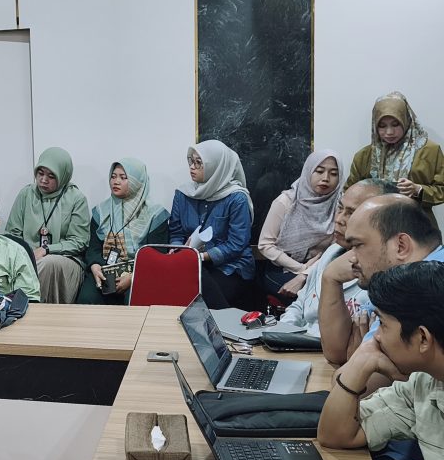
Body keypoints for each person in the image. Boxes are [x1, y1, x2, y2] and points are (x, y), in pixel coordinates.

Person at [317, 262, 444, 460]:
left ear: (423, 338)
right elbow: (336, 435)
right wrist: (360, 363)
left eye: (383, 325)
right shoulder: (423, 382)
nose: (376, 336)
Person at [319, 194, 443, 367]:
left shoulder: (419, 286)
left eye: (358, 245)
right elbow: (338, 353)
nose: (352, 258)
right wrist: (330, 277)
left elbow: (362, 377)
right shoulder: (393, 279)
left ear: (401, 246)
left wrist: (357, 362)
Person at [279, 179, 395, 336]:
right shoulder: (331, 252)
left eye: (351, 213)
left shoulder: (383, 270)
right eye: (340, 208)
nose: (339, 219)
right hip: (296, 341)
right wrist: (281, 335)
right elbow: (300, 305)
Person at [168, 140, 255, 309]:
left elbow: (237, 243)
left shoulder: (236, 198)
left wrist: (201, 257)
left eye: (199, 163)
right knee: (178, 282)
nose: (192, 167)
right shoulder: (183, 193)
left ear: (216, 166)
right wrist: (176, 249)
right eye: (191, 161)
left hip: (230, 267)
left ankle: (219, 323)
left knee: (197, 286)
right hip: (192, 263)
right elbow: (176, 233)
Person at [76, 158, 169, 305]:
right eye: (113, 176)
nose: (116, 181)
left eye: (123, 177)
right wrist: (95, 267)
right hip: (105, 270)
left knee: (133, 299)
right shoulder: (101, 211)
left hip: (140, 273)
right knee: (87, 299)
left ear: (137, 182)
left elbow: (158, 256)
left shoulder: (155, 215)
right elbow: (93, 249)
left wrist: (133, 277)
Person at [6, 147, 89, 304]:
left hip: (66, 258)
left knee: (45, 263)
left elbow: (79, 241)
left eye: (51, 176)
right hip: (27, 256)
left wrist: (46, 249)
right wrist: (26, 253)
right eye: (40, 173)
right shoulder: (26, 194)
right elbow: (12, 234)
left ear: (63, 175)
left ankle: (28, 308)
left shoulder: (76, 198)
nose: (43, 180)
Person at [346, 92, 444, 224]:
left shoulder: (428, 151)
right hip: (374, 226)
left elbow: (441, 188)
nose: (389, 132)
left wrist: (418, 190)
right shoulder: (365, 156)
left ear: (406, 120)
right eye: (382, 126)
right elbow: (349, 192)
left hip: (418, 226)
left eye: (395, 124)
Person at [257, 149, 344, 298]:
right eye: (319, 171)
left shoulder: (340, 206)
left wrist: (307, 272)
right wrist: (301, 268)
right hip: (283, 267)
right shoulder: (286, 201)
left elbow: (335, 248)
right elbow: (265, 245)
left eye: (334, 174)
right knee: (312, 297)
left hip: (322, 267)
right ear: (308, 171)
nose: (325, 178)